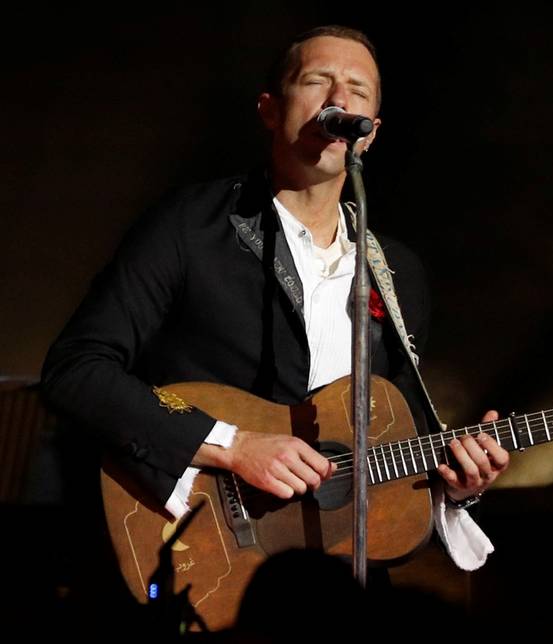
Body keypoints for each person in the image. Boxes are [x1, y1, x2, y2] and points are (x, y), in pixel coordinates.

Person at [41, 25, 509, 578]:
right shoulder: (191, 227)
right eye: (318, 81)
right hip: (202, 547)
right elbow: (77, 369)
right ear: (269, 109)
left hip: (336, 578)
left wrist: (454, 486)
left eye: (358, 92)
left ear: (371, 133)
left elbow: (393, 448)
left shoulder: (397, 272)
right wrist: (232, 446)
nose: (340, 100)